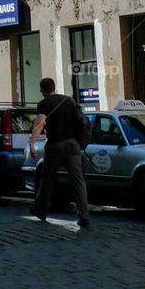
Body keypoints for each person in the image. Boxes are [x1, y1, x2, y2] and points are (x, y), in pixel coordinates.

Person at [29, 77, 90, 228]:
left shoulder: (44, 103)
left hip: (55, 145)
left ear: (42, 90)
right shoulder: (69, 100)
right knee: (78, 181)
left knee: (47, 178)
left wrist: (32, 143)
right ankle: (84, 215)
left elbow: (40, 123)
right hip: (73, 144)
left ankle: (40, 210)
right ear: (54, 87)